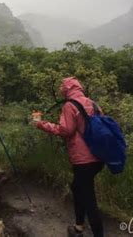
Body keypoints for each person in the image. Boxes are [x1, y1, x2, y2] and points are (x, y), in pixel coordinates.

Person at [33, 77, 104, 237]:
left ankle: (97, 233)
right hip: (98, 157)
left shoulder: (69, 105)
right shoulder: (93, 103)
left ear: (67, 89)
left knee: (88, 197)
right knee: (77, 188)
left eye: (62, 87)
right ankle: (78, 226)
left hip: (83, 159)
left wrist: (42, 124)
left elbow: (66, 130)